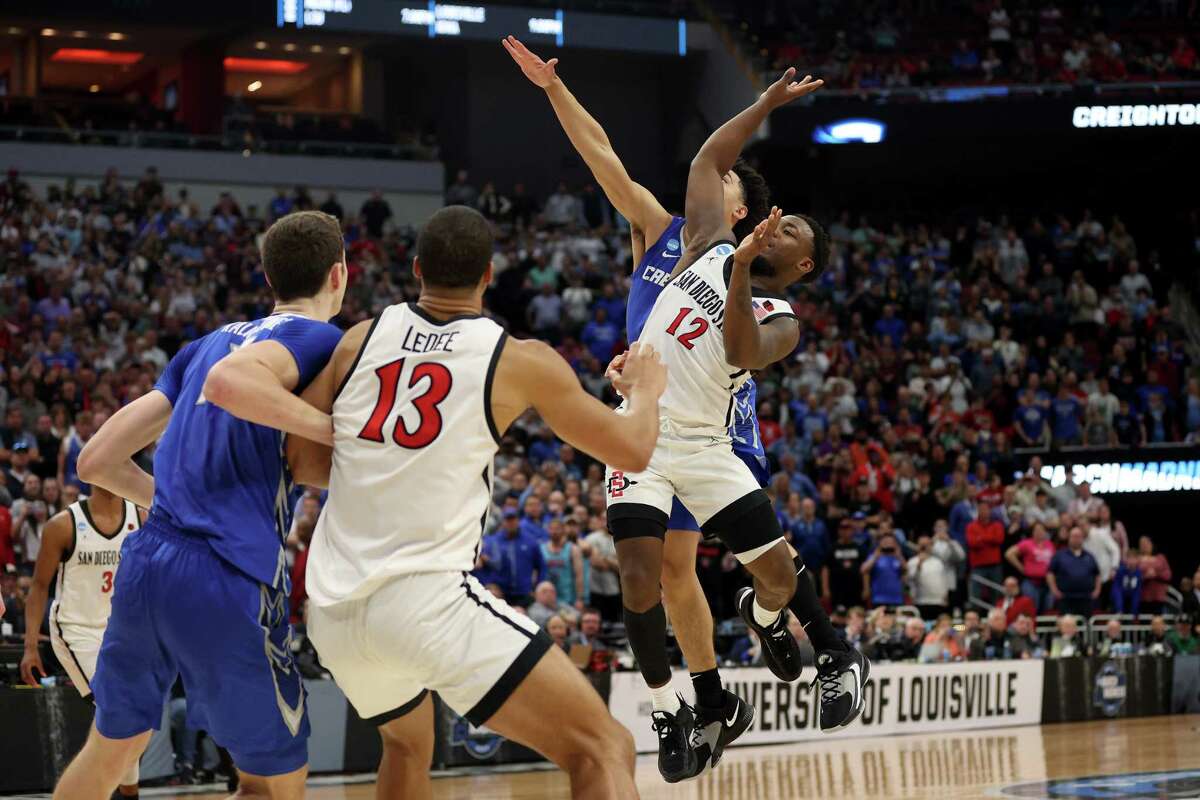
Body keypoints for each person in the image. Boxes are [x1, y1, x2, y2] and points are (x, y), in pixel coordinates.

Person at [289, 206, 665, 800]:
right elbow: (633, 450)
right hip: (423, 604)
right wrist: (645, 391)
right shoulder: (518, 358)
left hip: (332, 609)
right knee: (603, 747)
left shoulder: (361, 337)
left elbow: (303, 460)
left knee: (408, 744)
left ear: (415, 269)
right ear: (489, 275)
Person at [504, 36, 773, 779]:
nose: (706, 186)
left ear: (740, 208)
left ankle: (728, 674)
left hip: (709, 421)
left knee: (689, 569)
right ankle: (690, 701)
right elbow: (603, 157)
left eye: (721, 183)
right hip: (644, 425)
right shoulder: (656, 231)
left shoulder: (738, 264)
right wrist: (554, 89)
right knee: (650, 572)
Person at [599, 66, 869, 751]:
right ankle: (674, 714)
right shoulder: (704, 242)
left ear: (802, 265)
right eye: (782, 220)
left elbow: (741, 348)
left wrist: (745, 267)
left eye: (795, 232)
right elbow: (708, 160)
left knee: (775, 573)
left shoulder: (781, 316)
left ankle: (813, 640)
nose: (781, 227)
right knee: (640, 576)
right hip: (642, 438)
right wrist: (764, 103)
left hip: (704, 445)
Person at [52, 210, 348, 800]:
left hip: (147, 562)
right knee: (276, 778)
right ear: (339, 276)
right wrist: (336, 430)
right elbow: (238, 391)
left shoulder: (204, 344)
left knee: (111, 751)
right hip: (226, 572)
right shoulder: (323, 343)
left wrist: (176, 503)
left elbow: (95, 463)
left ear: (268, 280)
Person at [20, 486, 145, 797]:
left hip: (120, 630)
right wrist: (30, 646)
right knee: (117, 707)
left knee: (135, 718)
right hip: (76, 630)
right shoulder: (63, 525)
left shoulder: (140, 517)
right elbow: (38, 588)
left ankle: (129, 793)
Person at [477, 508, 545, 606]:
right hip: (500, 592)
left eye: (513, 519)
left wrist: (537, 587)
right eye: (507, 520)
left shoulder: (530, 541)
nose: (510, 523)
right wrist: (489, 584)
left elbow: (541, 566)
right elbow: (482, 565)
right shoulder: (492, 541)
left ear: (518, 520)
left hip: (524, 592)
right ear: (503, 522)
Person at [1047, 526, 1101, 619]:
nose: (1076, 539)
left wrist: (1097, 590)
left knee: (1085, 627)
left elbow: (1097, 574)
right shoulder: (1059, 555)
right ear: (1069, 538)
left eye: (1078, 536)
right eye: (1073, 536)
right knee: (1067, 626)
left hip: (1086, 599)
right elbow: (1050, 573)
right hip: (1066, 599)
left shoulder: (1090, 556)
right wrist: (1054, 590)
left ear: (1082, 538)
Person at [1006, 521, 1055, 614]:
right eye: (1037, 530)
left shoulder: (1049, 544)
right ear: (1032, 532)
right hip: (1031, 583)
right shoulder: (1026, 543)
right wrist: (1022, 568)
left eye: (1041, 530)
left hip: (1047, 583)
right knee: (1031, 609)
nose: (1039, 532)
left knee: (1047, 608)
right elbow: (1009, 554)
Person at [966, 498, 1004, 604]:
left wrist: (981, 538)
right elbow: (972, 543)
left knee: (996, 593)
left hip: (994, 564)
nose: (983, 511)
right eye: (981, 509)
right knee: (975, 594)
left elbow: (999, 540)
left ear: (990, 510)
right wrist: (989, 538)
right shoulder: (971, 526)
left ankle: (997, 617)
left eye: (985, 509)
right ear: (977, 510)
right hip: (978, 565)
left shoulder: (997, 525)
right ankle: (974, 616)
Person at [862, 532, 905, 607]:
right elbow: (864, 569)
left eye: (890, 542)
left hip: (896, 598)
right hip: (878, 598)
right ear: (880, 543)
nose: (888, 544)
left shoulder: (898, 558)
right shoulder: (874, 557)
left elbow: (906, 569)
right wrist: (875, 556)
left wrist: (899, 556)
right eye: (885, 542)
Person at [1136, 536, 1173, 616]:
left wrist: (1156, 574)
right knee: (1144, 622)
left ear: (1152, 544)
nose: (1145, 546)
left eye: (1147, 543)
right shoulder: (1137, 559)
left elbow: (1168, 575)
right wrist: (1146, 576)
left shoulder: (1160, 558)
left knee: (1157, 621)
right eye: (1142, 544)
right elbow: (1133, 576)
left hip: (1158, 597)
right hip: (1143, 598)